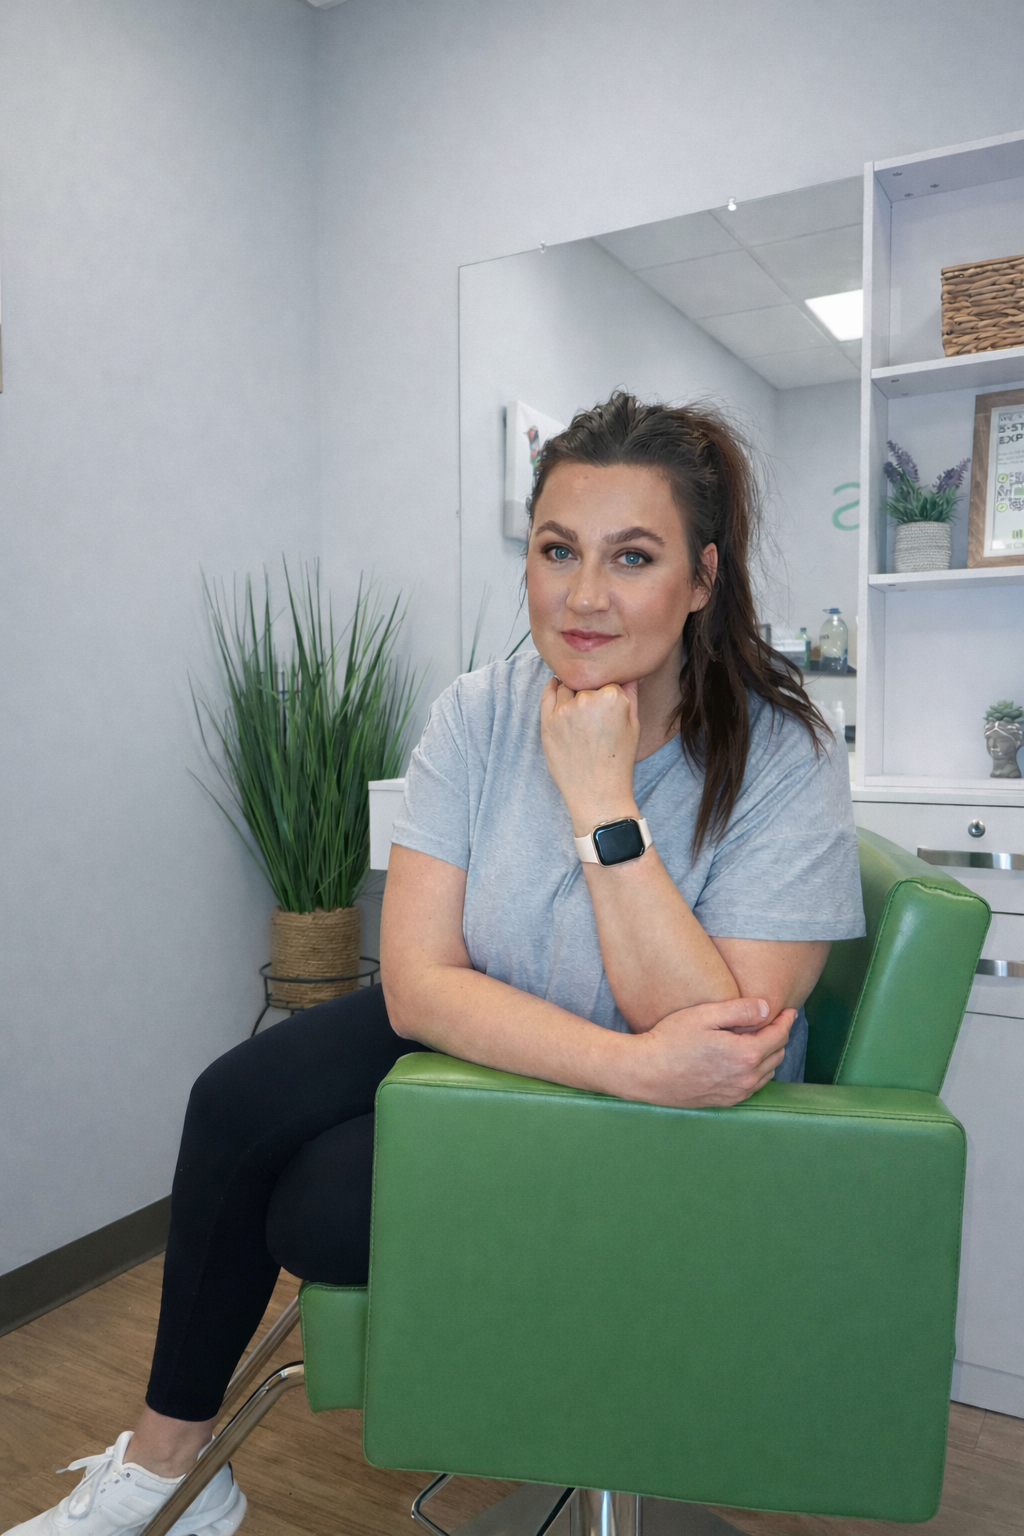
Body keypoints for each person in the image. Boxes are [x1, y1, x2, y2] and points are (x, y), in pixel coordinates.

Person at [7, 393, 865, 1536]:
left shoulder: (782, 756)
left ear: (703, 578)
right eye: (556, 550)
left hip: (682, 1140)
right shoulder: (477, 712)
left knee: (320, 1209)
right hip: (559, 1050)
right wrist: (625, 1061)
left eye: (632, 556)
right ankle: (170, 1469)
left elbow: (715, 1039)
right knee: (233, 1100)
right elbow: (415, 983)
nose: (584, 596)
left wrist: (601, 798)